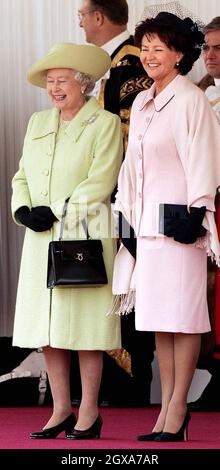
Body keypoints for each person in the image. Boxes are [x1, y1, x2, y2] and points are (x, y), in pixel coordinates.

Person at [112, 12, 220, 442]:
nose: (151, 56)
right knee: (160, 320)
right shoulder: (141, 102)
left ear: (179, 54)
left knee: (184, 318)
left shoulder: (191, 100)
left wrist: (197, 211)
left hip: (181, 224)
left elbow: (205, 156)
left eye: (160, 48)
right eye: (146, 48)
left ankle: (177, 409)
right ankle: (165, 411)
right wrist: (124, 215)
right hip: (148, 224)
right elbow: (131, 166)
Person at [11, 43, 123, 439]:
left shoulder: (105, 123)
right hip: (41, 237)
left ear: (83, 83)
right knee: (48, 328)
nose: (54, 89)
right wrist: (23, 209)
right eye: (50, 82)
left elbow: (101, 181)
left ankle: (89, 412)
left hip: (83, 234)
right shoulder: (38, 121)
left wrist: (56, 209)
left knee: (84, 329)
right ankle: (60, 410)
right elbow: (22, 175)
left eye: (62, 81)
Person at [78, 0, 155, 407]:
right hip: (106, 194)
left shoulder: (129, 62)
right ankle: (109, 386)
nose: (80, 23)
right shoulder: (110, 61)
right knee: (108, 280)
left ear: (100, 17)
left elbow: (131, 139)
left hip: (128, 198)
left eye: (83, 15)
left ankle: (129, 385)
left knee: (129, 282)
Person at [189, 17, 220, 412]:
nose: (210, 56)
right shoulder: (197, 94)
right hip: (206, 201)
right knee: (210, 290)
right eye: (207, 48)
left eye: (219, 49)